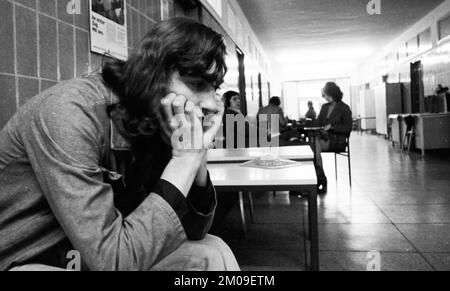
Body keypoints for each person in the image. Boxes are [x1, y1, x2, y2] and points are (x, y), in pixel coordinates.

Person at [0, 18, 239, 271]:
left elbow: (194, 230)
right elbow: (113, 264)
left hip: (84, 254)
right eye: (197, 84)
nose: (213, 103)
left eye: (213, 88)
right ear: (152, 78)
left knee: (212, 252)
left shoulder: (155, 120)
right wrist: (186, 159)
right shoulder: (70, 112)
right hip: (25, 260)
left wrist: (196, 156)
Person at [313, 82, 353, 194]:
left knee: (313, 147)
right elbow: (318, 122)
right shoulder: (324, 107)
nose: (324, 97)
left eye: (324, 95)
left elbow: (348, 128)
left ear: (332, 93)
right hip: (323, 138)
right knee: (312, 146)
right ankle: (320, 179)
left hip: (337, 140)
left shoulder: (344, 108)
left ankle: (320, 180)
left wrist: (332, 127)